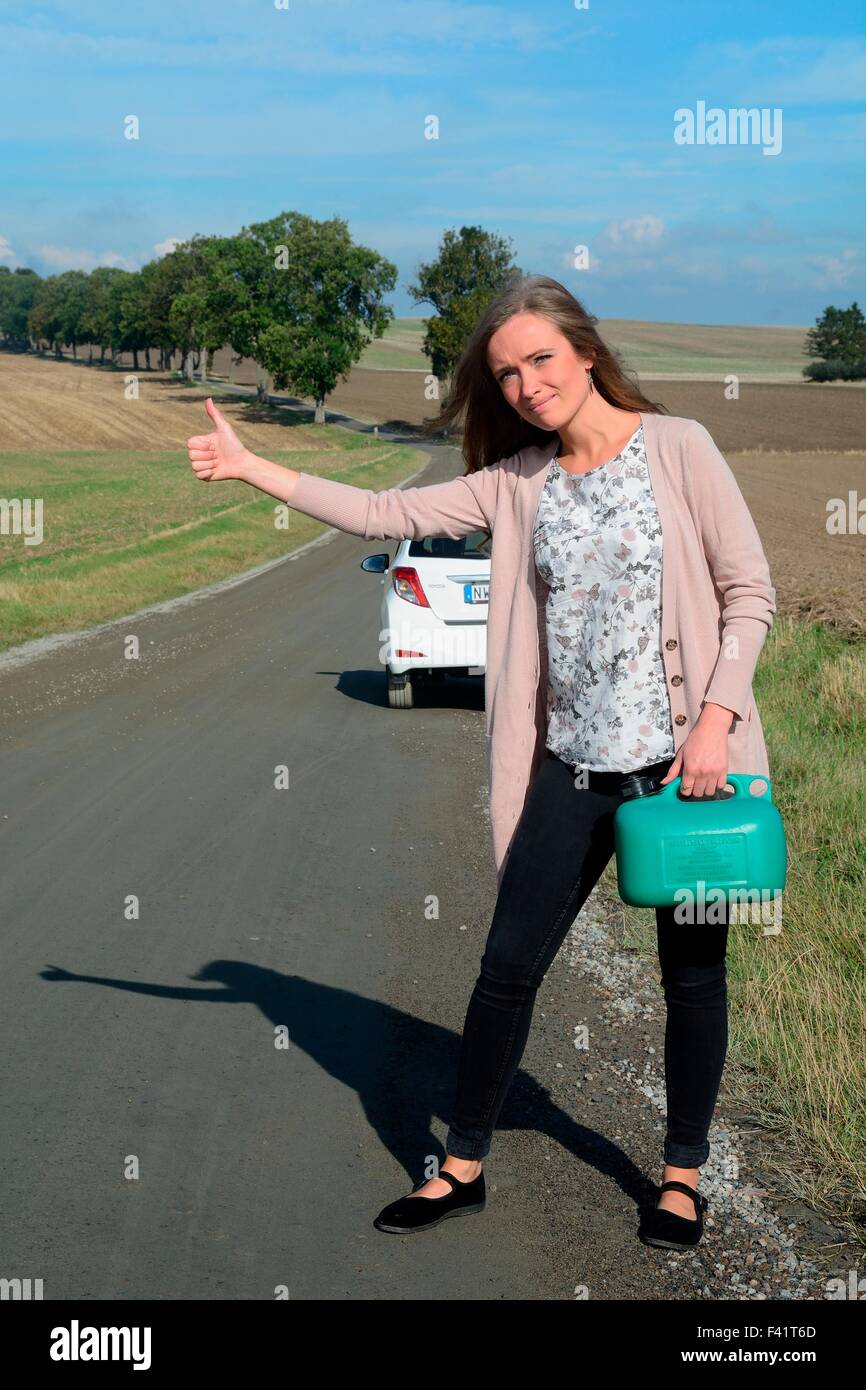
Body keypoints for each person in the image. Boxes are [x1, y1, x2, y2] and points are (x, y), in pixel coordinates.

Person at [186, 275, 776, 1251]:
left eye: (540, 358)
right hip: (569, 771)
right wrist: (255, 470)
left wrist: (713, 722)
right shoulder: (514, 483)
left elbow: (747, 591)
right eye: (505, 373)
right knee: (504, 969)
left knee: (691, 977)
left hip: (687, 771)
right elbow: (380, 509)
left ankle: (678, 1175)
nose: (525, 382)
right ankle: (458, 1164)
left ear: (585, 353)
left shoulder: (679, 450)